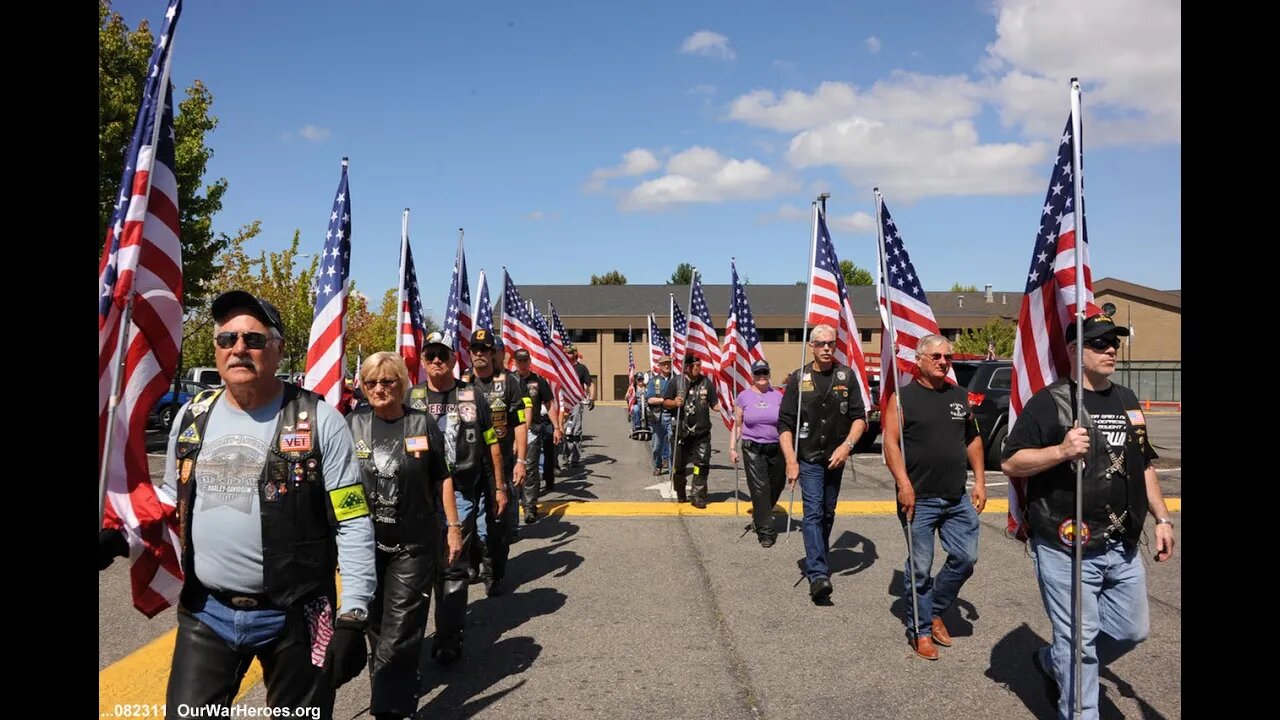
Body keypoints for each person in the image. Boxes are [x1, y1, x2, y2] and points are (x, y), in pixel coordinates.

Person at [98, 290, 377, 719]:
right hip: (207, 611)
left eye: (254, 339)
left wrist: (354, 615)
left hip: (299, 613)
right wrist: (120, 537)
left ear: (279, 350)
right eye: (227, 339)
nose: (239, 349)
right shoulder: (192, 416)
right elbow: (172, 499)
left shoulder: (322, 421)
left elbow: (353, 519)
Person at [1001, 313, 1175, 720]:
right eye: (1099, 343)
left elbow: (1144, 465)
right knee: (1079, 644)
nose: (1110, 349)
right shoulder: (1052, 402)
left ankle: (1054, 658)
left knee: (1133, 630)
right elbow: (1010, 462)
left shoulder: (1127, 400)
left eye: (1113, 341)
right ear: (1076, 351)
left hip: (1122, 544)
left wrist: (1162, 519)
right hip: (1067, 545)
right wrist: (1060, 451)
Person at [348, 352, 463, 720]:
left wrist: (453, 527)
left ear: (401, 383)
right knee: (377, 627)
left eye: (388, 381)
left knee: (400, 631)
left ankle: (391, 711)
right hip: (364, 547)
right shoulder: (352, 425)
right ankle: (396, 685)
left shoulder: (422, 423)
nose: (379, 388)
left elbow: (442, 476)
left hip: (413, 546)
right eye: (371, 383)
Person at [882, 334, 987, 661]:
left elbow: (973, 441)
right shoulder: (903, 398)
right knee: (921, 568)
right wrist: (903, 484)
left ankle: (936, 608)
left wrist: (980, 482)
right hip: (919, 499)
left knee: (966, 558)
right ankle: (921, 630)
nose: (944, 362)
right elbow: (890, 443)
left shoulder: (959, 396)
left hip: (956, 498)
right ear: (920, 360)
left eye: (948, 357)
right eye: (937, 357)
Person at [407, 331, 506, 664]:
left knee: (452, 565)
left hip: (462, 491)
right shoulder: (412, 396)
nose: (437, 361)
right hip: (417, 495)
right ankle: (410, 637)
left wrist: (498, 487)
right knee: (419, 567)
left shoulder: (471, 395)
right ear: (422, 360)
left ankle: (448, 637)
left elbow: (491, 442)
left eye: (443, 355)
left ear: (453, 359)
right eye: (430, 355)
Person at [778, 324, 868, 604]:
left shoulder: (846, 376)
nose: (827, 348)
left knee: (828, 513)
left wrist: (847, 446)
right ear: (812, 347)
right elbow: (785, 424)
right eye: (821, 344)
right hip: (809, 458)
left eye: (831, 343)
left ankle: (819, 556)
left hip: (836, 457)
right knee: (813, 513)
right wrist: (791, 462)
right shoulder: (798, 379)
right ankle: (818, 574)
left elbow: (860, 418)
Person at [461, 328, 527, 597]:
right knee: (466, 519)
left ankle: (494, 572)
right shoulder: (463, 386)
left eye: (484, 350)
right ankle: (473, 563)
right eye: (474, 350)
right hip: (469, 465)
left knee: (497, 521)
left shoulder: (509, 382)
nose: (479, 355)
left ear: (492, 353)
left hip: (500, 464)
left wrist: (521, 460)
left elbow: (520, 424)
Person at [729, 360, 785, 547]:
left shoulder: (778, 396)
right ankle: (766, 532)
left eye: (765, 373)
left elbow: (785, 425)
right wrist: (732, 448)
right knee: (760, 489)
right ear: (752, 376)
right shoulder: (744, 397)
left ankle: (760, 515)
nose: (762, 376)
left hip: (776, 447)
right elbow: (737, 425)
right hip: (752, 448)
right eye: (758, 373)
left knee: (777, 484)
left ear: (769, 374)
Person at [662, 353, 720, 508]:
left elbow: (714, 404)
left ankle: (697, 495)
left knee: (701, 464)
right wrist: (674, 402)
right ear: (686, 367)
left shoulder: (706, 382)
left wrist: (728, 408)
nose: (697, 368)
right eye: (694, 366)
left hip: (701, 433)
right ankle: (680, 492)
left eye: (699, 365)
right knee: (679, 467)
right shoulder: (676, 382)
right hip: (681, 433)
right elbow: (665, 402)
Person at [512, 348, 562, 523]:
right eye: (519, 360)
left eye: (525, 360)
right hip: (511, 432)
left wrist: (556, 427)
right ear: (514, 362)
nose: (522, 363)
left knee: (531, 469)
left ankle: (529, 507)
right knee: (511, 468)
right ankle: (513, 505)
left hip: (532, 430)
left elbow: (549, 404)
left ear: (529, 361)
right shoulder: (508, 380)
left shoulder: (538, 381)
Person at [560, 345, 595, 467]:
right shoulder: (561, 367)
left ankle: (575, 457)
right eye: (566, 353)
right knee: (563, 430)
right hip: (562, 401)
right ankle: (565, 455)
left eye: (570, 353)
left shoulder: (581, 368)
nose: (568, 355)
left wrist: (591, 398)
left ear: (575, 354)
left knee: (576, 429)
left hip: (576, 401)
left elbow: (590, 383)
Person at [645, 356, 675, 476]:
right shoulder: (654, 381)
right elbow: (650, 399)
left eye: (668, 363)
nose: (667, 366)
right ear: (660, 366)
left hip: (673, 416)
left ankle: (673, 468)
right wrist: (665, 400)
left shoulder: (676, 379)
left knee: (673, 441)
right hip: (658, 416)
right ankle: (658, 465)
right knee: (657, 445)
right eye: (664, 364)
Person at [628, 371, 650, 438]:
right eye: (639, 379)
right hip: (637, 405)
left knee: (649, 410)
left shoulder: (647, 388)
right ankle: (637, 426)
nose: (640, 381)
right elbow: (627, 397)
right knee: (636, 408)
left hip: (646, 405)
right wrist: (629, 394)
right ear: (636, 380)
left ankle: (648, 425)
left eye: (641, 379)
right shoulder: (633, 388)